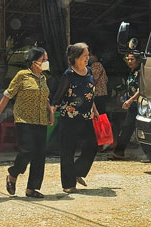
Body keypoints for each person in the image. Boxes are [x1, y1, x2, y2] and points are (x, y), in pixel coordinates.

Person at [0, 47, 53, 199]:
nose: (46, 62)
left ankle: (32, 188)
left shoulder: (43, 78)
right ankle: (13, 173)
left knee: (39, 155)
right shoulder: (22, 75)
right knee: (27, 151)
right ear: (34, 62)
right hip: (24, 120)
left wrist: (50, 112)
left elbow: (45, 96)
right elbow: (7, 95)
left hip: (41, 120)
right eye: (43, 59)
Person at [52, 42, 100, 193]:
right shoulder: (68, 75)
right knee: (68, 151)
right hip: (69, 118)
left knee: (92, 146)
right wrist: (52, 113)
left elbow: (90, 93)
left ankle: (78, 171)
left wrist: (95, 109)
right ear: (76, 57)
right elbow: (58, 96)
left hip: (86, 117)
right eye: (85, 56)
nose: (88, 58)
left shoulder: (89, 71)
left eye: (88, 55)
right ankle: (68, 185)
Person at [111, 52, 151, 163]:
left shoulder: (141, 72)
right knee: (127, 128)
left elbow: (140, 89)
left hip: (141, 105)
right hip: (133, 106)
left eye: (132, 59)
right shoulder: (131, 72)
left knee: (141, 128)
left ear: (137, 60)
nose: (129, 61)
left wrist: (130, 100)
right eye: (128, 59)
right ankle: (119, 152)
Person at [88, 47, 109, 116]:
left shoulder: (97, 65)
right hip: (101, 94)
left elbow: (93, 80)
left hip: (98, 94)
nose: (89, 57)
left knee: (99, 114)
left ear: (95, 56)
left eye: (90, 55)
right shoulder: (96, 65)